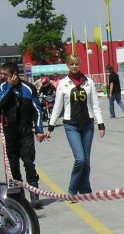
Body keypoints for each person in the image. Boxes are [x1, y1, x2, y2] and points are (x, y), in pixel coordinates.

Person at [45, 55, 105, 196]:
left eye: (77, 64)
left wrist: (101, 124)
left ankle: (85, 190)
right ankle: (72, 191)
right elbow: (57, 107)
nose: (74, 66)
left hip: (87, 125)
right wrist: (50, 127)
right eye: (71, 64)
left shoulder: (89, 82)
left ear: (80, 64)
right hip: (71, 126)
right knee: (80, 159)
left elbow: (95, 105)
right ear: (68, 65)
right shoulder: (63, 84)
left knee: (87, 161)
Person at [0, 61, 45, 208]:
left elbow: (38, 110)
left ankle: (33, 193)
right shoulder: (2, 87)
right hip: (9, 132)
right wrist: (10, 88)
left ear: (13, 74)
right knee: (13, 166)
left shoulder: (28, 88)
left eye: (4, 74)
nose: (2, 76)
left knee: (28, 161)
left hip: (25, 132)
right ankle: (19, 196)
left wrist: (38, 130)